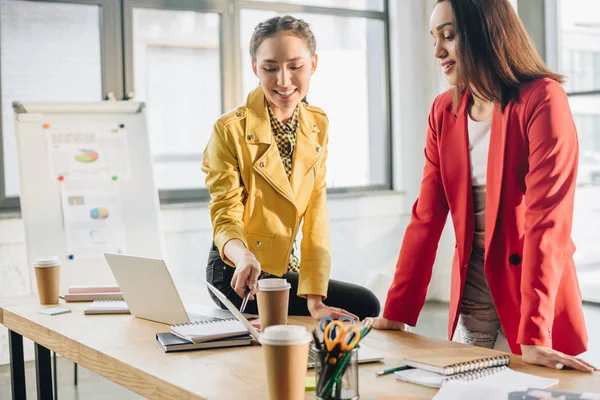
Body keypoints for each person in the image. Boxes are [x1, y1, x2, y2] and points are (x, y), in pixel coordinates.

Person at [367, 0, 596, 372]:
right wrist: (397, 312)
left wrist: (535, 334)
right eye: (434, 38)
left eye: (449, 35)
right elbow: (426, 217)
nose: (438, 51)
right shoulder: (444, 111)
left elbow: (546, 222)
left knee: (525, 387)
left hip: (530, 286)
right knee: (465, 385)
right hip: (473, 283)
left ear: (485, 32)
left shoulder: (542, 99)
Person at [202, 15, 380, 321]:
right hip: (237, 272)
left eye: (295, 66)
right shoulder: (228, 129)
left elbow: (315, 216)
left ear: (313, 64)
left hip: (286, 268)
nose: (284, 80)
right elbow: (225, 215)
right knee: (362, 303)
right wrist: (243, 256)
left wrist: (315, 300)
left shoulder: (317, 124)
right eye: (270, 68)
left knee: (365, 303)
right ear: (255, 68)